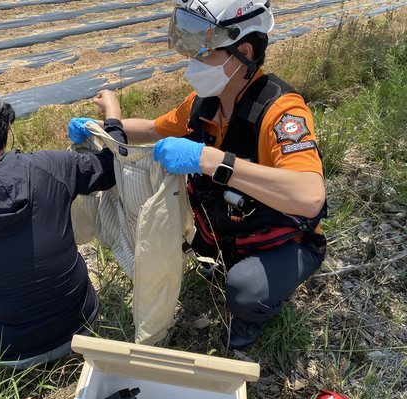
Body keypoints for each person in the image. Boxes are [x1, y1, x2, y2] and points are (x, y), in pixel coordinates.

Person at [70, 0, 327, 350]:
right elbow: (150, 128)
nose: (193, 63)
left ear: (244, 51)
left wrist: (211, 160)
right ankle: (221, 256)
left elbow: (310, 197)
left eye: (204, 51)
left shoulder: (280, 112)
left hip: (282, 239)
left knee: (245, 289)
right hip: (228, 224)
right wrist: (101, 128)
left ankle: (250, 319)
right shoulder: (204, 102)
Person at [0, 73, 126, 367]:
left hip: (5, 352)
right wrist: (112, 115)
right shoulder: (52, 166)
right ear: (6, 122)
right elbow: (110, 167)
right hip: (82, 324)